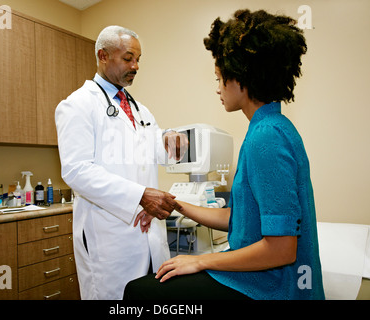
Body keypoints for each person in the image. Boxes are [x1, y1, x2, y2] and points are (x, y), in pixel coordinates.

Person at [124, 9, 325, 300]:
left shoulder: (266, 137)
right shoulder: (270, 127)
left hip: (269, 288)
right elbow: (239, 218)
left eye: (219, 78)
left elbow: (282, 248)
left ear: (241, 78)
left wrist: (200, 260)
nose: (217, 88)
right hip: (261, 279)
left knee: (138, 293)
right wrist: (176, 204)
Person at [55, 25, 188, 300]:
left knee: (150, 298)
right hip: (109, 238)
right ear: (103, 56)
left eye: (138, 59)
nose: (136, 66)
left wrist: (171, 141)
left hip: (149, 232)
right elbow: (76, 170)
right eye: (128, 58)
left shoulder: (140, 109)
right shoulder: (77, 105)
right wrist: (139, 196)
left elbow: (154, 153)